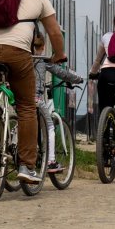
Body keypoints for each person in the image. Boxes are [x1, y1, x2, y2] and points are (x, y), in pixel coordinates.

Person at [0, 0, 68, 184]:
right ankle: (27, 166)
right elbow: (54, 32)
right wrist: (59, 55)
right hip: (16, 53)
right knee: (27, 106)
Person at [31, 32, 83, 173]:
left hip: (20, 99)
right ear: (43, 45)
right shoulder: (42, 59)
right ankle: (51, 161)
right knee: (49, 127)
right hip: (36, 99)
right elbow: (62, 73)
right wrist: (78, 79)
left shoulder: (21, 58)